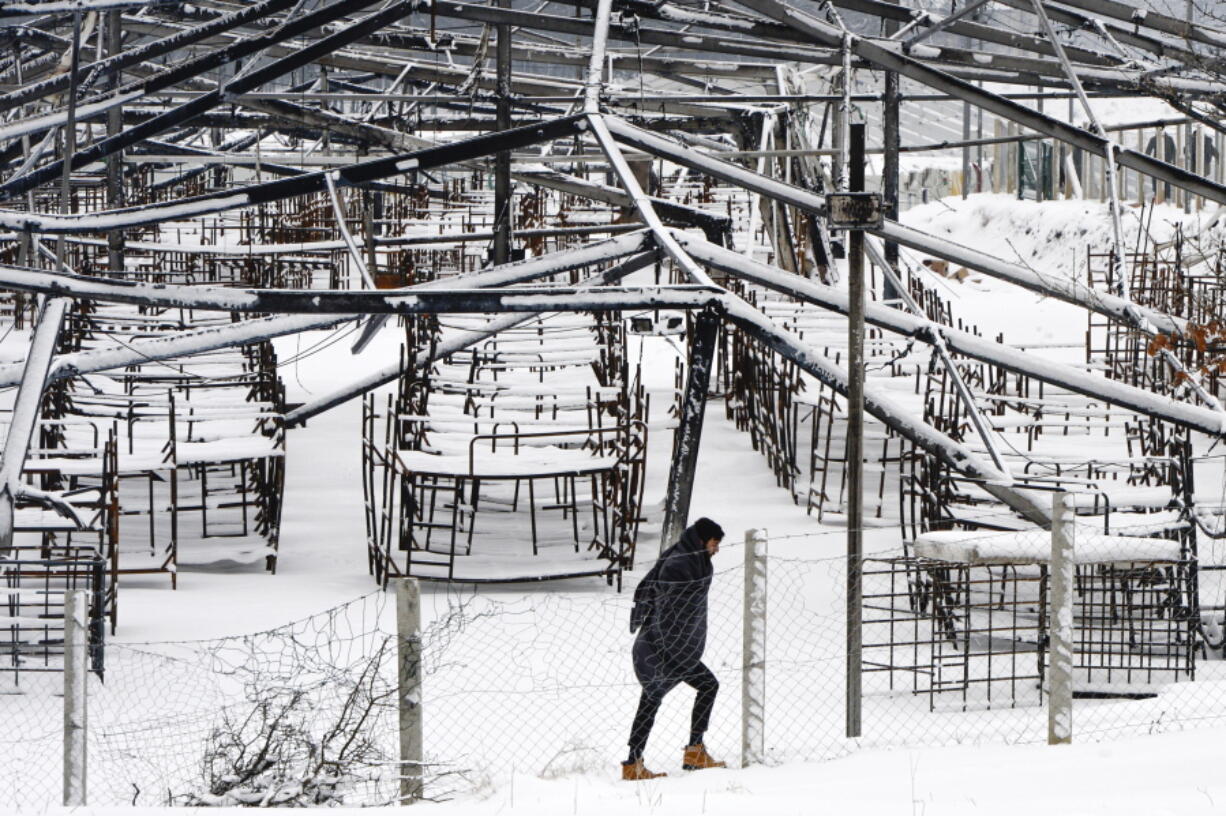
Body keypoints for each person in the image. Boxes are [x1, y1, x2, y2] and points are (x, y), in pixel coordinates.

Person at [621, 517, 727, 781]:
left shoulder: (695, 561)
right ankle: (688, 752)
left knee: (654, 697)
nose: (716, 549)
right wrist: (674, 648)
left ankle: (643, 760)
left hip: (679, 646)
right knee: (659, 694)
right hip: (664, 645)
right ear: (702, 541)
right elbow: (669, 611)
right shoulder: (679, 565)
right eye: (714, 543)